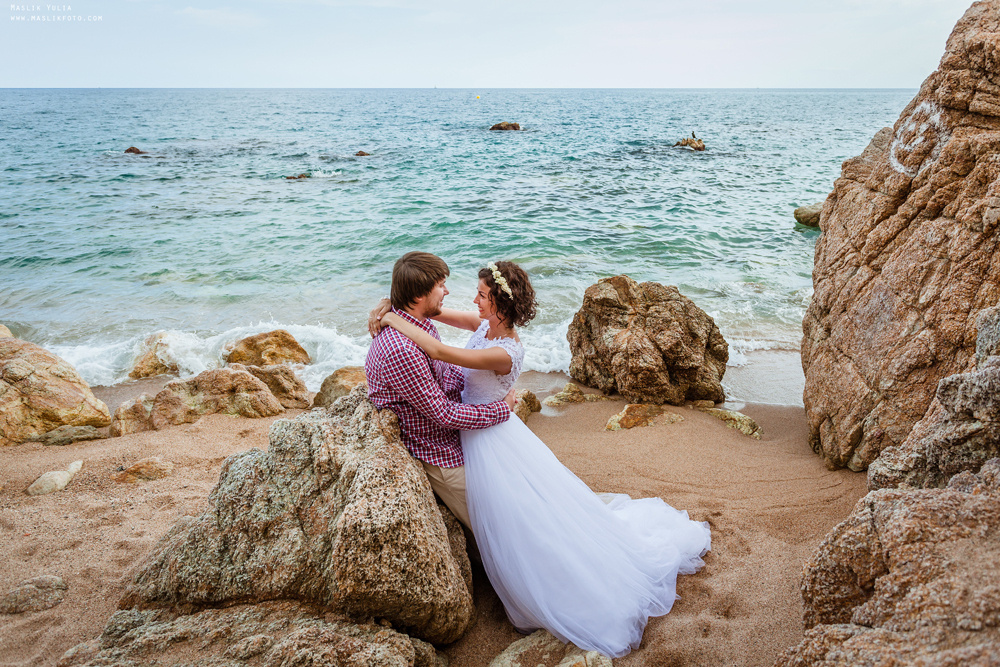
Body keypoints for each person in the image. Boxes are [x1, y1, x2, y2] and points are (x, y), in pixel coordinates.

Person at [370, 260, 712, 658]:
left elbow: (437, 349)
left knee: (519, 519)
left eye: (480, 294)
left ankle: (563, 583)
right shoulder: (483, 325)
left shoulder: (503, 350)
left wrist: (394, 319)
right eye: (465, 290)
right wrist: (389, 308)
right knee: (526, 508)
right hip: (480, 435)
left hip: (492, 434)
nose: (470, 298)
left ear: (498, 304)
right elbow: (437, 318)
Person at [364, 251, 514, 530]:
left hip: (458, 436)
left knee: (518, 492)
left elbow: (446, 374)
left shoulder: (418, 323)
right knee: (500, 524)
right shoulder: (401, 349)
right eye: (441, 285)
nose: (447, 291)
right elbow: (443, 415)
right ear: (419, 295)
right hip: (440, 453)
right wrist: (500, 409)